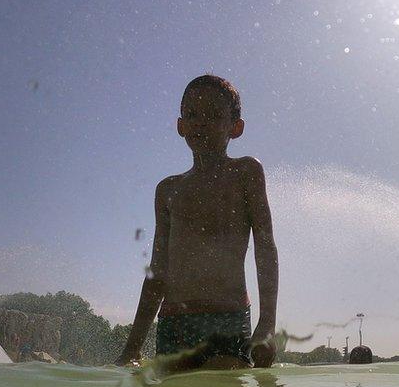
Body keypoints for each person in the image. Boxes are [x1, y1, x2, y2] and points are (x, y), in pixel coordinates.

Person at [115, 75, 279, 369]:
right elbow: (157, 272)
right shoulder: (168, 190)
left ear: (236, 127)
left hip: (226, 319)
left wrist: (267, 324)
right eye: (192, 115)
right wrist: (132, 348)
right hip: (173, 323)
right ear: (180, 126)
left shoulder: (245, 173)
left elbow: (264, 247)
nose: (201, 122)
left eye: (214, 115)